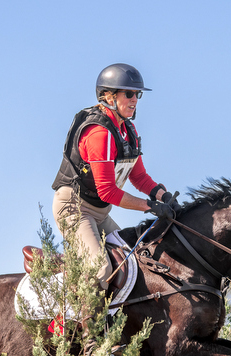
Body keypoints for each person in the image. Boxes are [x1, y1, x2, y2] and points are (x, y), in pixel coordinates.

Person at [51, 63, 181, 291]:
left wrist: (162, 195)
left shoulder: (127, 130)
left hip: (100, 214)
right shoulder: (99, 134)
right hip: (74, 209)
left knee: (134, 262)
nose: (135, 100)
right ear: (108, 97)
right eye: (129, 94)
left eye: (137, 94)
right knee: (101, 268)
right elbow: (107, 191)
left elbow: (139, 177)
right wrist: (149, 206)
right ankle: (72, 322)